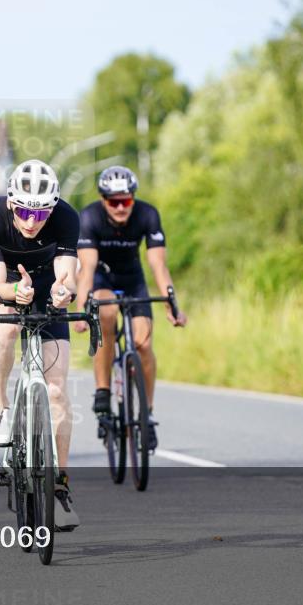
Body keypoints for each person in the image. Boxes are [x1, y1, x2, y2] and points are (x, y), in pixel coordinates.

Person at [0, 159, 81, 530]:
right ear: (9, 204)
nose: (32, 221)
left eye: (40, 213)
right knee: (4, 329)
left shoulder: (67, 217)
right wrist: (14, 292)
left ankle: (60, 485)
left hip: (47, 291)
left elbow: (67, 274)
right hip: (7, 285)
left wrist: (64, 290)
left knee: (56, 390)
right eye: (23, 211)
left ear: (52, 207)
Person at [74, 166, 187, 449]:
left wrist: (171, 303)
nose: (121, 207)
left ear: (133, 199)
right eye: (114, 202)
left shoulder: (148, 214)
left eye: (126, 201)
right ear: (103, 200)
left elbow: (158, 264)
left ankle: (146, 414)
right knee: (107, 312)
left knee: (143, 344)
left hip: (132, 278)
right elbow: (86, 268)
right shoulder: (89, 217)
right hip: (101, 277)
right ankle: (102, 390)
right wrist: (81, 312)